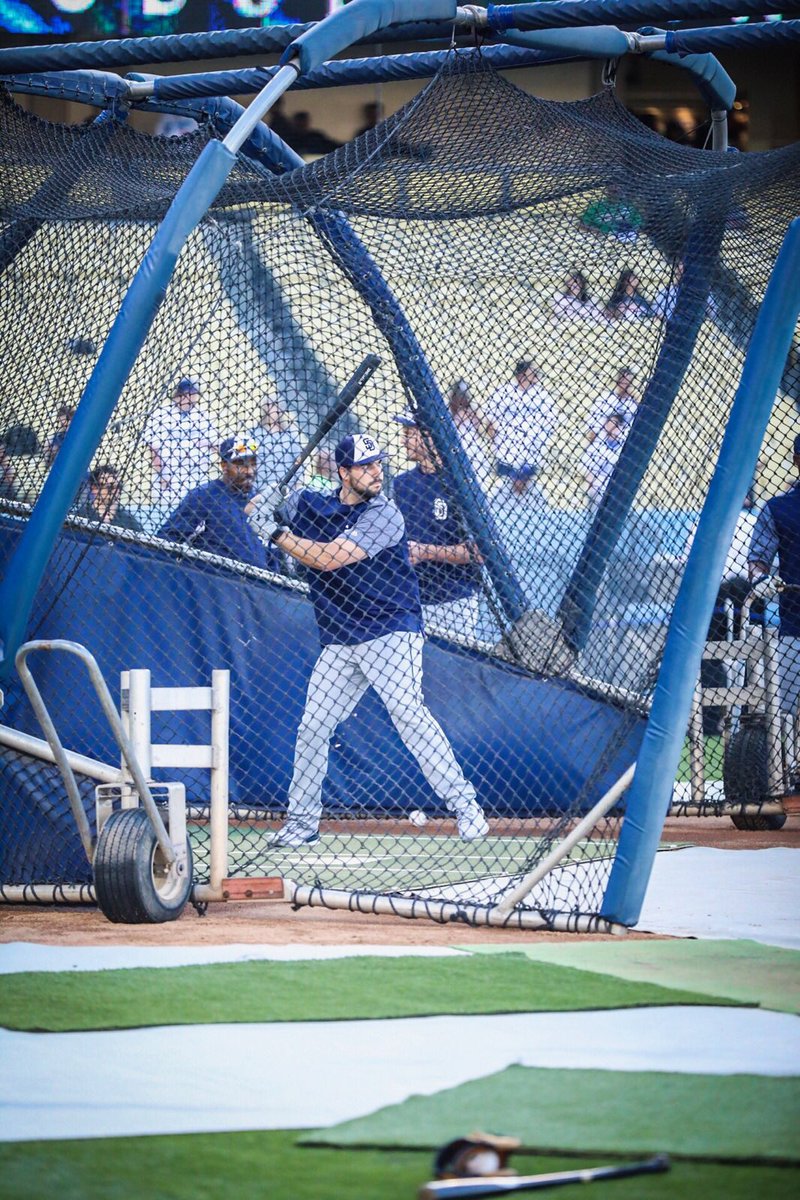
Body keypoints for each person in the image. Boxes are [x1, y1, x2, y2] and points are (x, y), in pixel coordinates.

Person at [249, 432, 489, 846]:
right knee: (313, 726)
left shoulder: (385, 514)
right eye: (365, 466)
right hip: (342, 636)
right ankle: (303, 823)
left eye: (378, 463)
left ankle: (467, 809)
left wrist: (275, 533)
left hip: (391, 629)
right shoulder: (312, 503)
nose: (377, 472)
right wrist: (267, 500)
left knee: (408, 713)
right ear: (343, 473)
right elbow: (255, 508)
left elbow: (330, 559)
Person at [392, 410, 483, 641]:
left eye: (409, 434)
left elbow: (479, 552)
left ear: (430, 437)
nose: (403, 441)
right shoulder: (402, 484)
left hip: (454, 601)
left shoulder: (461, 485)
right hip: (410, 599)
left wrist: (425, 552)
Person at [158, 435, 281, 571]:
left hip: (258, 582)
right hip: (214, 579)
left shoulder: (260, 501)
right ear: (224, 466)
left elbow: (271, 555)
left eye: (253, 464)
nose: (249, 471)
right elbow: (167, 540)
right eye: (241, 464)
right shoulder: (204, 496)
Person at [748, 435, 800, 718]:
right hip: (795, 624)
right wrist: (761, 580)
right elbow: (757, 560)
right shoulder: (778, 508)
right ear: (796, 461)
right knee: (787, 714)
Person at [143, 377, 219, 506]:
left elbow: (215, 444)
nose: (189, 398)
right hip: (169, 477)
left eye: (193, 394)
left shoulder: (203, 416)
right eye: (186, 394)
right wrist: (161, 474)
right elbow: (153, 448)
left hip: (197, 475)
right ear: (178, 395)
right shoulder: (161, 414)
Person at [484, 360, 557, 483]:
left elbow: (550, 424)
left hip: (531, 460)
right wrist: (497, 446)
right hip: (505, 457)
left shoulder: (543, 396)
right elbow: (490, 423)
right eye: (532, 374)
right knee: (501, 490)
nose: (535, 377)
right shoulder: (503, 392)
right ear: (520, 374)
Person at [250, 398, 302, 493]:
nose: (272, 411)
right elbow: (250, 455)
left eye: (275, 407)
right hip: (260, 488)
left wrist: (298, 484)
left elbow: (298, 460)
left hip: (286, 488)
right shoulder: (255, 434)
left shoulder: (290, 435)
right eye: (269, 407)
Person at [75, 464, 143, 532]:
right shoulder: (81, 516)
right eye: (110, 487)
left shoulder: (129, 521)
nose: (115, 491)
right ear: (94, 488)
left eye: (119, 486)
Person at [448, 379, 491, 482]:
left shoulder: (473, 413)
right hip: (459, 451)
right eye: (459, 396)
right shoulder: (450, 414)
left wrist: (471, 416)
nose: (461, 399)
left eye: (464, 396)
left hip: (475, 452)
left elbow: (481, 432)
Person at [581, 413, 627, 506]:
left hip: (618, 491)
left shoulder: (625, 447)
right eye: (610, 424)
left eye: (616, 425)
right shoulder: (597, 446)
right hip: (598, 492)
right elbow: (587, 471)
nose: (612, 427)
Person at [586, 366, 640, 443]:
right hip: (601, 443)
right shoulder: (605, 398)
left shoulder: (633, 404)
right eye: (622, 381)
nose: (624, 385)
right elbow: (591, 424)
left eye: (627, 382)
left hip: (622, 444)